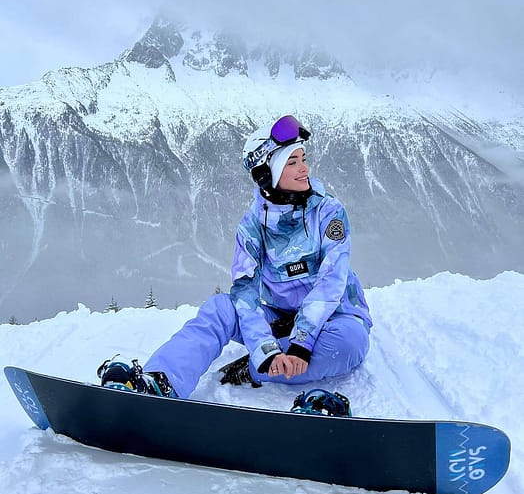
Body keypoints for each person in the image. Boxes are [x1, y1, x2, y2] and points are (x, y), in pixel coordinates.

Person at [98, 115, 372, 399]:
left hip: (335, 316)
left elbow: (331, 279)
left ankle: (256, 368)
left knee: (349, 344)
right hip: (279, 318)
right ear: (269, 174)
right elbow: (245, 291)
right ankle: (161, 382)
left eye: (303, 158)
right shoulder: (252, 227)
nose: (305, 169)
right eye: (292, 163)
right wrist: (266, 348)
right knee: (220, 308)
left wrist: (299, 344)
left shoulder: (328, 212)